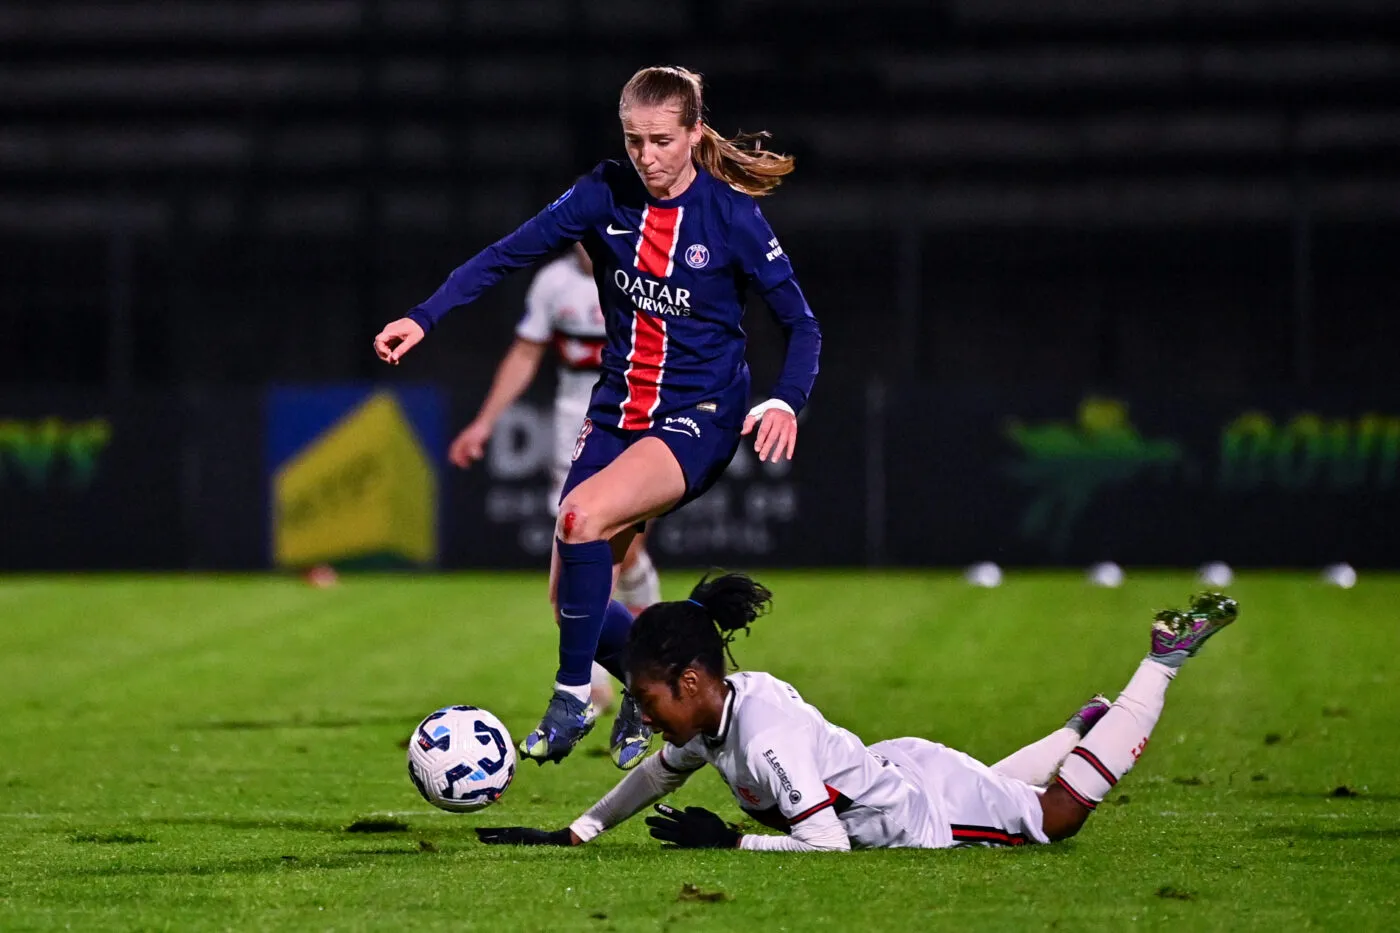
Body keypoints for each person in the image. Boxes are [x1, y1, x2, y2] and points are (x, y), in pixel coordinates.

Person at [373, 66, 822, 771]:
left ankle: (572, 696)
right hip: (616, 409)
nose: (646, 155)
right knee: (569, 600)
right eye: (634, 140)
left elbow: (803, 324)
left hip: (700, 413)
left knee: (580, 517)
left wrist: (786, 398)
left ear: (694, 134)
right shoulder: (602, 194)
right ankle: (653, 680)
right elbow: (505, 254)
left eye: (661, 140)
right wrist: (424, 316)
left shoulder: (730, 216)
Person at [475, 574, 1238, 851]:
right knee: (1007, 791)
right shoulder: (718, 715)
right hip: (899, 772)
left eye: (646, 700)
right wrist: (577, 830)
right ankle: (1080, 728)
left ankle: (1162, 659)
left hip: (921, 814)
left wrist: (732, 841)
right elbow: (654, 777)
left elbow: (828, 844)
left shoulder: (764, 740)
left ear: (692, 679)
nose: (645, 717)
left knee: (1056, 817)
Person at [447, 242, 663, 711]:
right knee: (577, 560)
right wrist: (484, 422)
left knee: (623, 553)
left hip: (637, 422)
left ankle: (649, 662)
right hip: (574, 432)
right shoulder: (554, 282)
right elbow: (525, 354)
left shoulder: (648, 272)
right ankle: (597, 685)